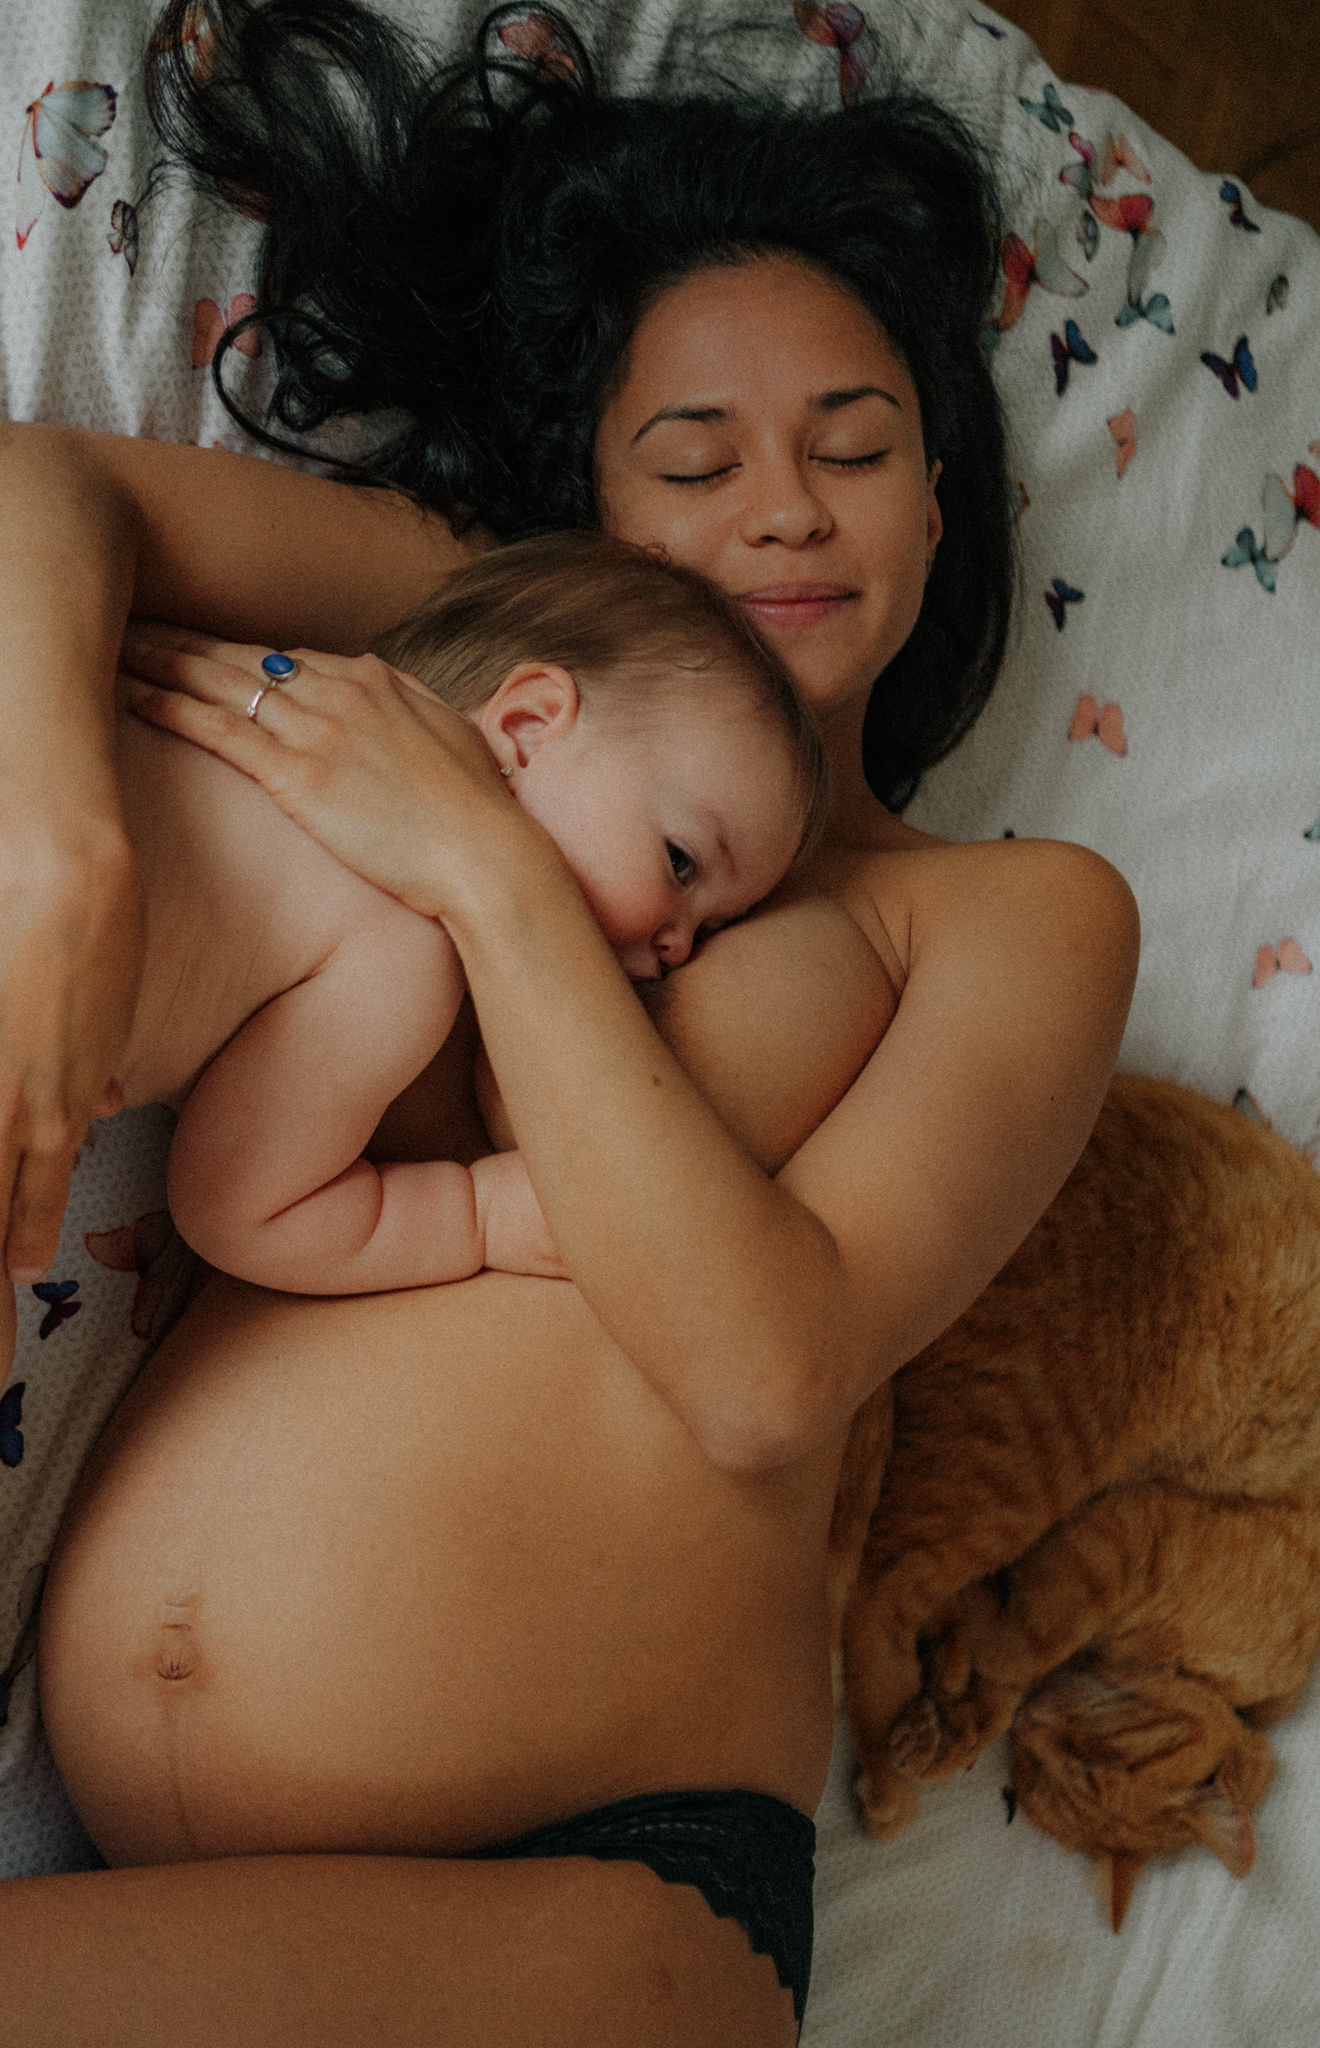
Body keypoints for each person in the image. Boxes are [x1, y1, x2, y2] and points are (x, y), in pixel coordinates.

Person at [0, 4, 1139, 2040]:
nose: (786, 507)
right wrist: (67, 853)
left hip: (598, 1896)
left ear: (941, 500)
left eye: (859, 444)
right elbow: (41, 495)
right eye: (694, 460)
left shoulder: (1009, 916)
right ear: (591, 523)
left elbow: (769, 1363)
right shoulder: (480, 640)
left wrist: (498, 879)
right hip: (144, 1862)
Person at [0, 533, 825, 1379]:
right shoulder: (405, 953)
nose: (678, 949)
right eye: (682, 863)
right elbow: (237, 1206)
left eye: (714, 928)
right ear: (528, 727)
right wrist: (477, 1215)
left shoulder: (281, 683)